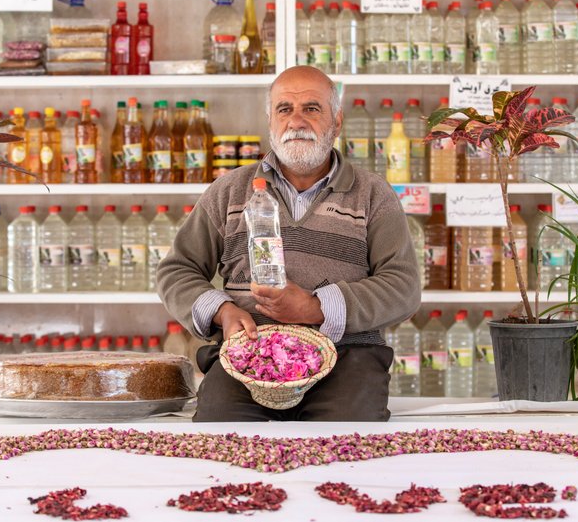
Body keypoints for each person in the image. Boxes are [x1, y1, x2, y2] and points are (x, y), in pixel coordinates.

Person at [156, 66, 420, 421]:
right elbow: (177, 270)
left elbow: (403, 288)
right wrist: (224, 311)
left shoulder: (373, 194)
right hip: (249, 352)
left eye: (312, 108)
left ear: (336, 121)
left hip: (347, 356)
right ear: (270, 122)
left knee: (347, 438)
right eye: (285, 109)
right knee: (220, 432)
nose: (296, 121)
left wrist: (316, 308)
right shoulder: (230, 191)